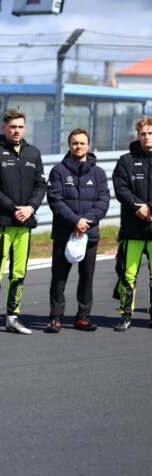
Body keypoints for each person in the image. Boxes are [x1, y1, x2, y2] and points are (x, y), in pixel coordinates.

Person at [0, 108, 47, 336]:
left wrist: (30, 208)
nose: (16, 131)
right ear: (4, 128)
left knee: (19, 272)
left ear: (25, 127)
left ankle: (12, 317)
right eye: (12, 127)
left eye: (20, 127)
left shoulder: (33, 153)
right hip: (3, 220)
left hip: (25, 222)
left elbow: (41, 185)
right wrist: (12, 207)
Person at [44, 129, 110, 333]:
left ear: (88, 146)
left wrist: (86, 222)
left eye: (82, 143)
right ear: (69, 145)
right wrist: (75, 221)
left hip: (89, 233)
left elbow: (103, 201)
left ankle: (82, 317)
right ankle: (55, 317)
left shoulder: (98, 173)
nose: (78, 146)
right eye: (74, 143)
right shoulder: (58, 171)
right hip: (65, 233)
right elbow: (55, 200)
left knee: (87, 277)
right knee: (59, 277)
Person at [112, 116, 152, 331]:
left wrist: (150, 208)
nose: (146, 137)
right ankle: (125, 315)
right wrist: (140, 208)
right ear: (138, 135)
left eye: (150, 133)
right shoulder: (126, 160)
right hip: (132, 228)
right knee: (128, 274)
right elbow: (120, 188)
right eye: (143, 133)